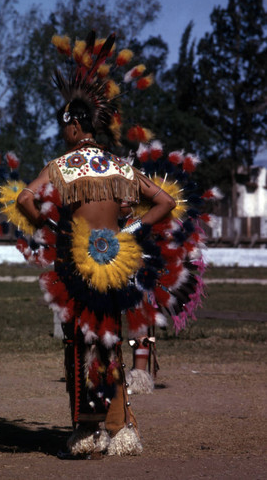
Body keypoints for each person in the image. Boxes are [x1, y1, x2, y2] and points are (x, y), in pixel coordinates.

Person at [17, 98, 175, 457]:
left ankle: (87, 431)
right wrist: (132, 228)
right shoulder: (119, 166)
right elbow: (165, 201)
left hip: (78, 264)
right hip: (114, 261)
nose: (63, 133)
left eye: (64, 126)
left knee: (80, 342)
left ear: (74, 126)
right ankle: (120, 430)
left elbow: (25, 199)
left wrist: (47, 224)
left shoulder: (63, 165)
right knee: (109, 340)